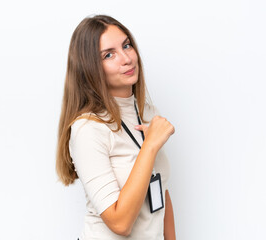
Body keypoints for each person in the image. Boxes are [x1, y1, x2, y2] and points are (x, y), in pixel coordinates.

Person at [56, 15, 176, 240]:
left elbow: (161, 193)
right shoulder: (87, 129)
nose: (126, 58)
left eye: (127, 45)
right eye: (109, 54)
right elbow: (120, 223)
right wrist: (149, 146)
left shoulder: (149, 112)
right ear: (90, 67)